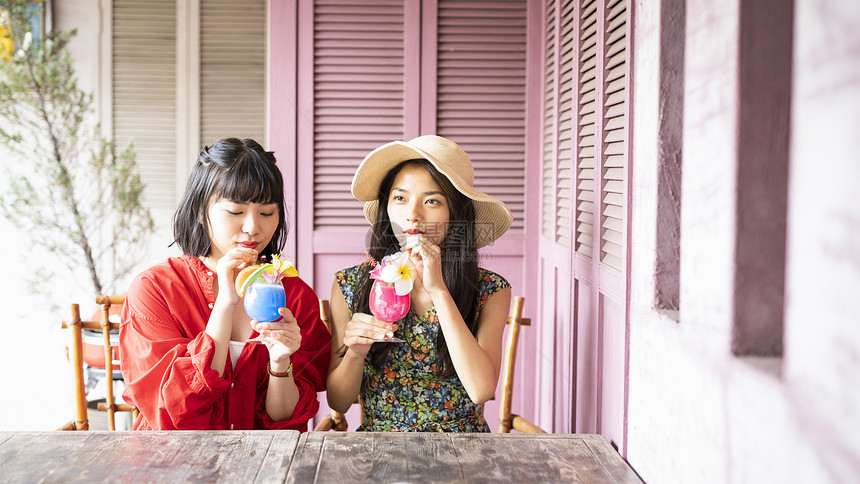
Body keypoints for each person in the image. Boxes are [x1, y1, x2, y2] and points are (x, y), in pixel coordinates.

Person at [120, 138, 330, 431]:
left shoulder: (292, 295)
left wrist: (280, 364)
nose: (253, 227)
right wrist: (224, 303)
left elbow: (285, 423)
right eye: (235, 211)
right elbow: (171, 410)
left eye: (267, 212)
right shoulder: (155, 289)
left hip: (263, 467)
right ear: (199, 211)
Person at [326, 135, 513, 432]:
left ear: (455, 213)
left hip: (462, 452)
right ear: (387, 207)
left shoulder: (490, 289)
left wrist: (438, 289)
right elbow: (338, 401)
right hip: (380, 449)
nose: (413, 214)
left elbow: (481, 390)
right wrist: (356, 352)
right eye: (400, 198)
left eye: (432, 201)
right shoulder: (351, 284)